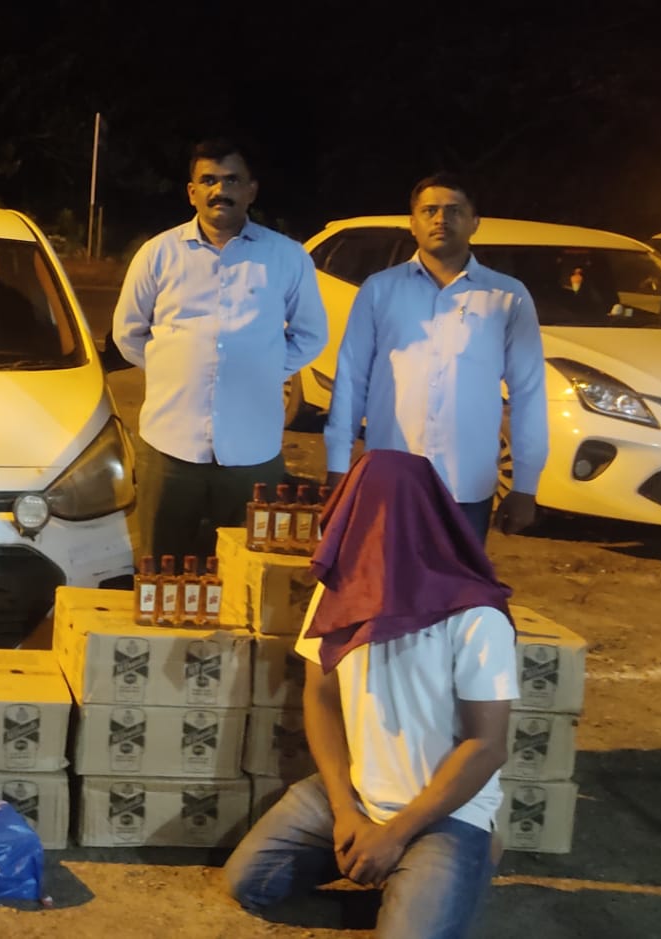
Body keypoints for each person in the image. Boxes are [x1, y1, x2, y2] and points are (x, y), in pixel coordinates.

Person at [222, 449, 517, 939]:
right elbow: (320, 697)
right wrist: (344, 809)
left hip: (443, 812)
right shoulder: (336, 593)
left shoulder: (475, 616)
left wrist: (395, 833)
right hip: (356, 794)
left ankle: (465, 857)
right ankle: (408, 885)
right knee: (247, 883)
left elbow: (486, 745)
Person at [111, 137, 327, 562]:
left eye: (231, 180)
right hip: (170, 447)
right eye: (208, 180)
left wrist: (262, 368)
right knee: (162, 573)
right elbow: (128, 333)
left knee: (246, 571)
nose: (219, 190)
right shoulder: (158, 254)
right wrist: (174, 367)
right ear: (192, 192)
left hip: (253, 452)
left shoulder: (286, 257)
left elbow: (311, 335)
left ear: (251, 190)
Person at [323, 173, 547, 542]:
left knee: (457, 581)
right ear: (413, 223)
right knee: (383, 578)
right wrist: (337, 464)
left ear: (475, 223)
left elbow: (529, 394)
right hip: (390, 480)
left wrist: (525, 486)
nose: (441, 219)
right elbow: (351, 380)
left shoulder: (507, 297)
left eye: (454, 211)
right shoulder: (380, 290)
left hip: (466, 486)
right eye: (430, 211)